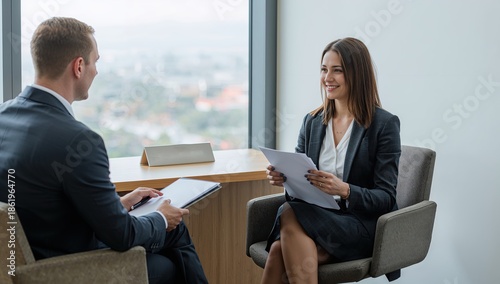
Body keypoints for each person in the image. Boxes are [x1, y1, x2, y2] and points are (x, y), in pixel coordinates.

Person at [0, 17, 207, 284]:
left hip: (25, 260)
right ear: (78, 66)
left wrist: (116, 205)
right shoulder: (78, 140)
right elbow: (121, 236)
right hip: (63, 267)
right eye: (95, 61)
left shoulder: (4, 116)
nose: (96, 71)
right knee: (171, 237)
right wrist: (159, 217)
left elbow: (43, 202)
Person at [262, 37, 401, 284]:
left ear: (357, 74)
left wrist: (345, 190)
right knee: (282, 240)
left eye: (337, 70)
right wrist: (284, 179)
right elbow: (299, 187)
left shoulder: (384, 125)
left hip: (358, 225)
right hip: (317, 217)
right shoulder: (312, 121)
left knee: (286, 223)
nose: (328, 77)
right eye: (324, 69)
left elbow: (386, 197)